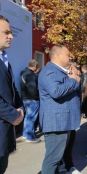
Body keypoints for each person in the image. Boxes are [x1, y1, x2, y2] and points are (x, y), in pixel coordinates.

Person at [38, 45, 81, 174]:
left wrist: (74, 77)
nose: (70, 57)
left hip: (62, 121)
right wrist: (73, 80)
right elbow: (56, 91)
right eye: (67, 54)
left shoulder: (61, 71)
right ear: (57, 55)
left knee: (57, 159)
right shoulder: (49, 71)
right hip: (56, 122)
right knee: (52, 159)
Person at [0, 15, 24, 174]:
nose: (11, 36)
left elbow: (10, 88)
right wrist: (14, 115)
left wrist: (20, 107)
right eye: (6, 32)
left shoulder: (4, 59)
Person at [20, 59, 41, 143]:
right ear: (35, 66)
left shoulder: (23, 72)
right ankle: (29, 137)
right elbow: (32, 89)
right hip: (32, 99)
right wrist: (37, 98)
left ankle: (25, 134)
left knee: (28, 117)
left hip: (25, 98)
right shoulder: (30, 74)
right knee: (31, 118)